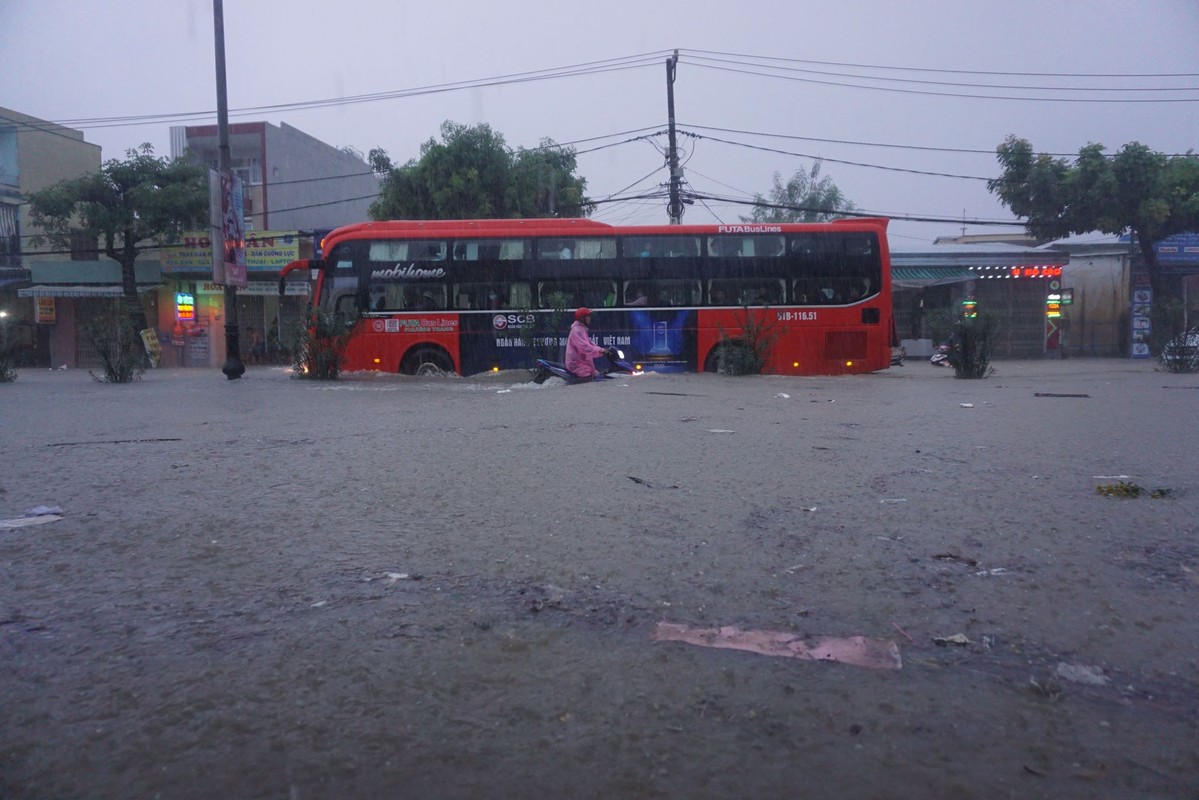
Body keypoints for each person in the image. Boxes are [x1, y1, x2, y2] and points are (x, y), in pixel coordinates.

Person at [564, 307, 609, 380]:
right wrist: (600, 350)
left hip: (583, 364)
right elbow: (585, 348)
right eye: (588, 316)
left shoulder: (582, 329)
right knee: (589, 382)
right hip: (577, 366)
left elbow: (591, 345)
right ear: (582, 318)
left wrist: (603, 350)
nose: (590, 318)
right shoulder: (577, 331)